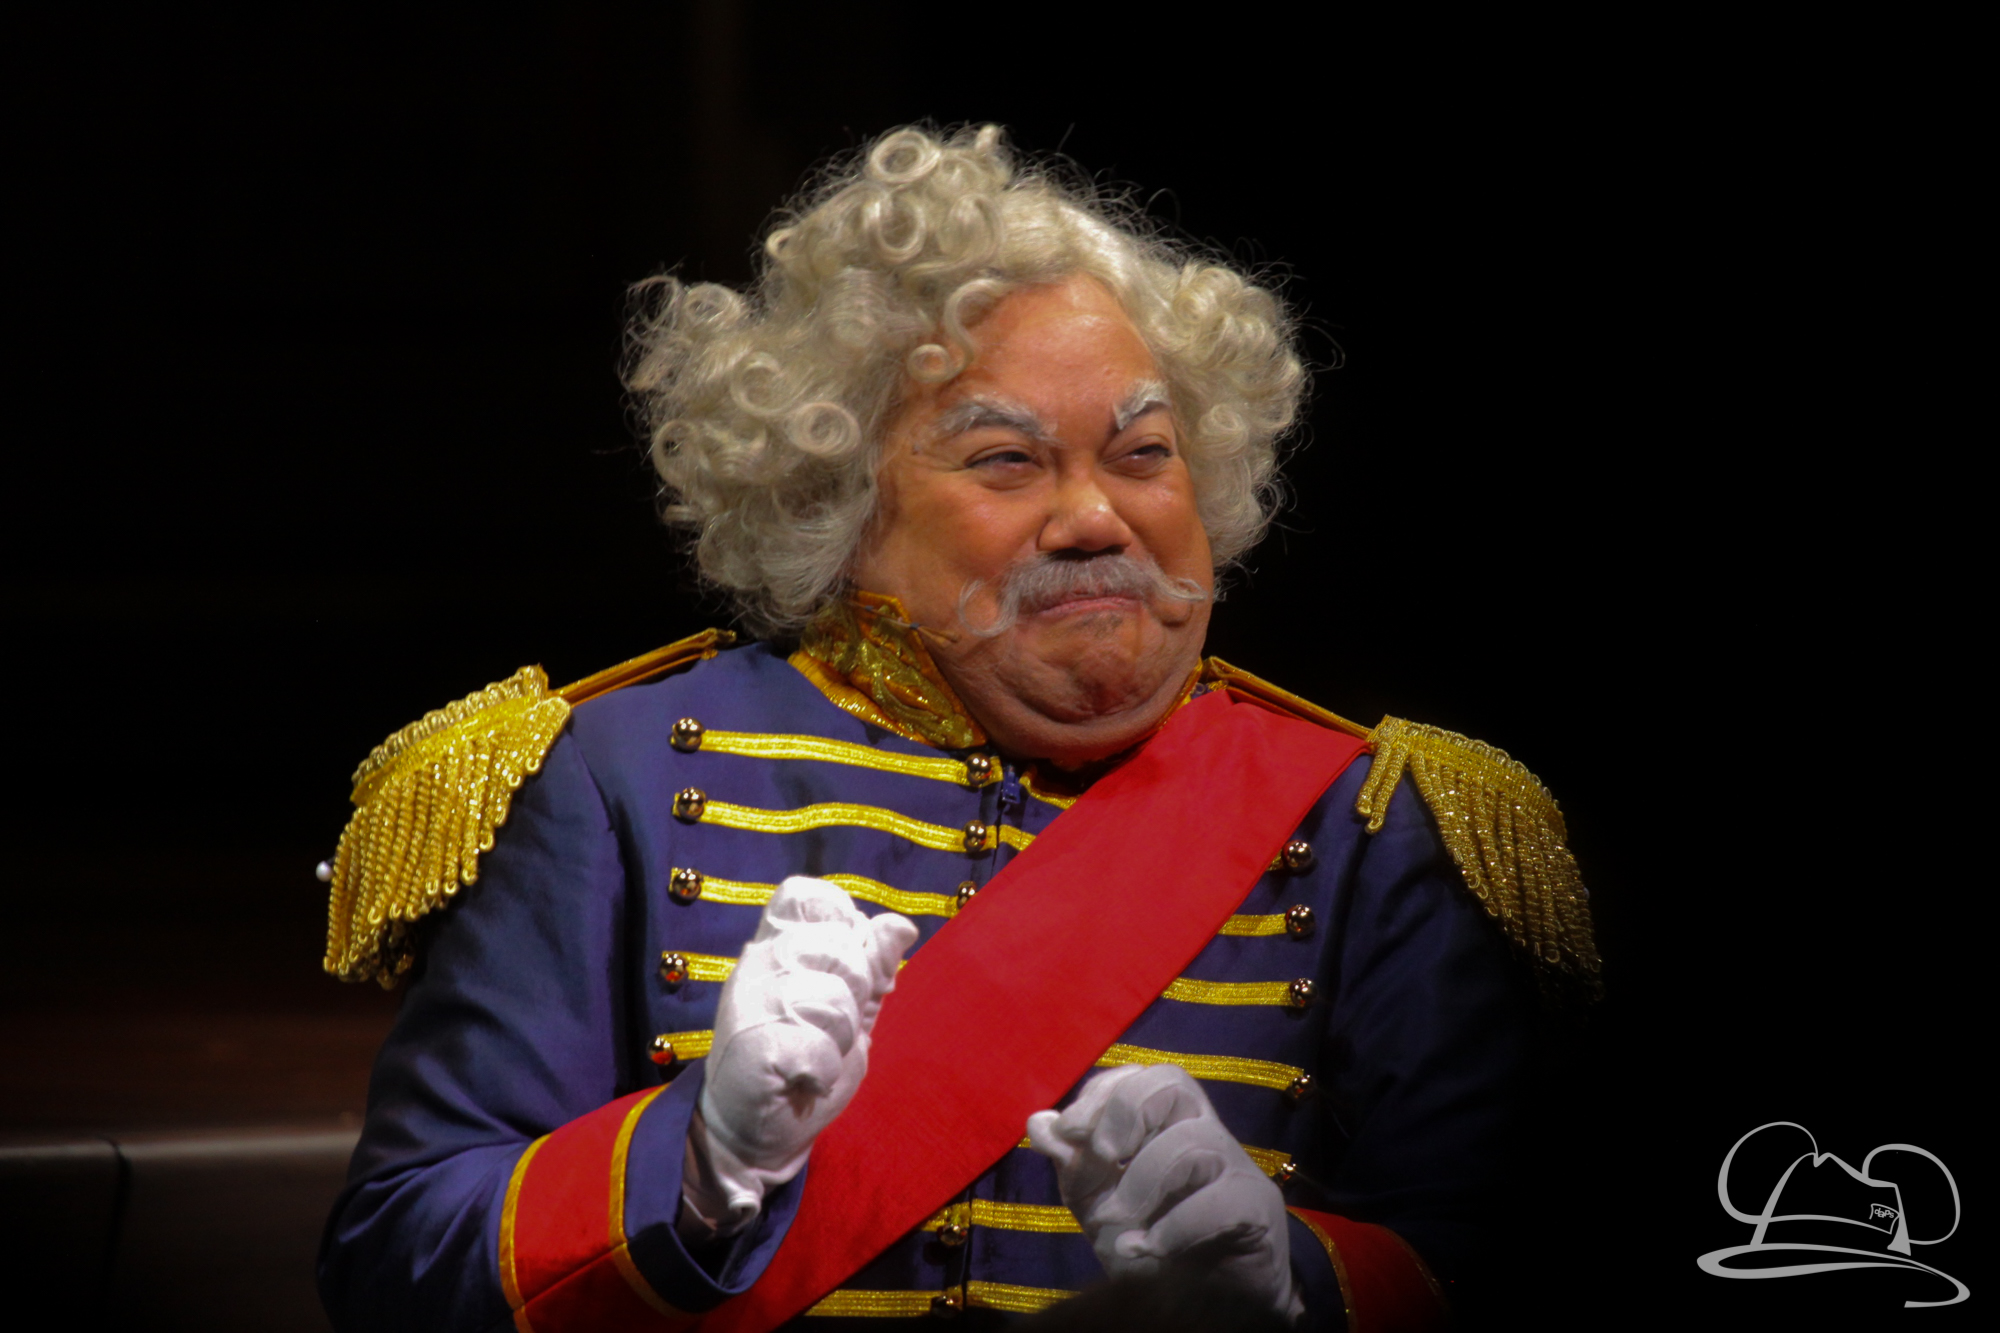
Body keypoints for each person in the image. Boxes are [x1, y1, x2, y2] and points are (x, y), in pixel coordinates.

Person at [316, 124, 1600, 1332]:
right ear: (836, 505)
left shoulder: (1375, 820)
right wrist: (699, 1162)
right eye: (1006, 460)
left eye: (1143, 454)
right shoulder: (612, 776)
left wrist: (1296, 1279)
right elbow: (393, 1262)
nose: (1095, 517)